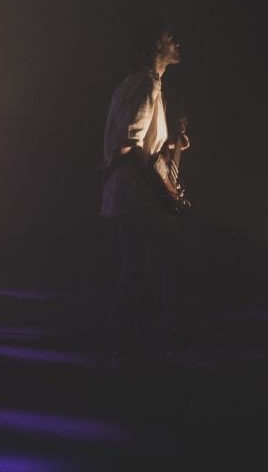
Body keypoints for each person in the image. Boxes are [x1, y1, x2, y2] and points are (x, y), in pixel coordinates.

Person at [100, 20, 194, 369]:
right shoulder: (146, 85)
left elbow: (137, 144)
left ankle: (123, 350)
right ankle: (174, 346)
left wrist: (169, 146)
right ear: (156, 47)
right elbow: (130, 144)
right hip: (138, 196)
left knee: (136, 270)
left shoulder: (135, 84)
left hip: (127, 195)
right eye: (170, 39)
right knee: (176, 262)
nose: (176, 43)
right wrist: (161, 187)